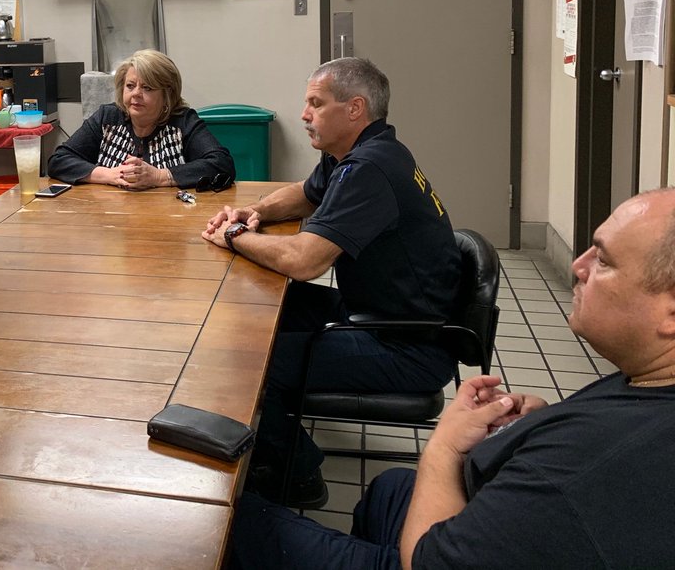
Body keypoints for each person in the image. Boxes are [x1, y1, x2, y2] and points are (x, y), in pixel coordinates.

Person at [228, 187, 675, 569]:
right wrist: (537, 422)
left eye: (606, 261)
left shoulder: (590, 461)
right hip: (483, 509)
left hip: (432, 553)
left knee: (233, 520)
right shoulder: (645, 385)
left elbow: (428, 561)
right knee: (388, 488)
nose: (578, 266)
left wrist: (444, 445)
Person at [203, 58, 459, 507]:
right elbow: (304, 193)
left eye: (315, 104)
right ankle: (272, 437)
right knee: (255, 313)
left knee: (250, 363)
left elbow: (305, 261)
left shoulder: (368, 170)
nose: (304, 114)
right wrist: (255, 212)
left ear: (355, 108)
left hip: (407, 345)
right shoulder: (363, 153)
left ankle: (297, 473)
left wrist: (234, 235)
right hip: (378, 315)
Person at [48, 49, 234, 190]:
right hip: (111, 222)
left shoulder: (183, 121)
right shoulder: (108, 117)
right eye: (130, 86)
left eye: (147, 88)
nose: (136, 93)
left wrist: (159, 176)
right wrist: (109, 175)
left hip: (169, 221)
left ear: (167, 95)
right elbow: (59, 161)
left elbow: (222, 164)